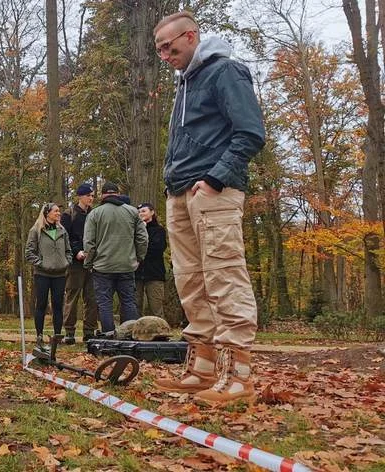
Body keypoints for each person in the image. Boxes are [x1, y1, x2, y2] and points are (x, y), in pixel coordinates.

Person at [153, 11, 266, 404]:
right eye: (159, 50)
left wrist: (216, 178)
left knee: (223, 274)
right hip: (180, 193)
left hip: (213, 191)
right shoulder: (185, 83)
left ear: (191, 36)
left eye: (170, 46)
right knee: (191, 279)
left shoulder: (225, 72)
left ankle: (239, 377)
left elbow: (250, 132)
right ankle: (201, 368)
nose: (165, 55)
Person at [82, 182, 148, 337]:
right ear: (118, 194)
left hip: (102, 267)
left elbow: (89, 243)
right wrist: (139, 258)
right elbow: (143, 239)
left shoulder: (95, 214)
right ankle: (132, 336)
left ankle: (108, 337)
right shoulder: (132, 212)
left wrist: (89, 263)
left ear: (103, 195)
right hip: (127, 265)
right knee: (128, 302)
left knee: (105, 304)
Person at [24, 203, 72, 349]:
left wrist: (66, 262)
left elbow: (68, 251)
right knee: (41, 304)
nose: (59, 213)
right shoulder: (36, 231)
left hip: (60, 275)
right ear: (47, 213)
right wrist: (41, 263)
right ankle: (39, 335)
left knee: (58, 305)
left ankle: (57, 336)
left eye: (59, 211)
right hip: (42, 274)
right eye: (56, 211)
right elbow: (29, 253)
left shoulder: (62, 231)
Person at [60, 183, 100, 344]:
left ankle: (89, 332)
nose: (91, 198)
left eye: (92, 196)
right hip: (75, 264)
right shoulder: (68, 214)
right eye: (88, 195)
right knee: (72, 297)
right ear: (80, 196)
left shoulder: (96, 214)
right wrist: (77, 252)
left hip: (93, 263)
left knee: (92, 298)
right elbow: (65, 237)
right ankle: (69, 331)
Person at [135, 203, 168, 322]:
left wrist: (142, 247)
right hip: (137, 273)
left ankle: (160, 333)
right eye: (139, 212)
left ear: (152, 212)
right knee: (135, 305)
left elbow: (157, 249)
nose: (141, 214)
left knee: (156, 307)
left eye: (143, 211)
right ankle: (134, 333)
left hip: (154, 274)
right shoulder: (134, 230)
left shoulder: (159, 230)